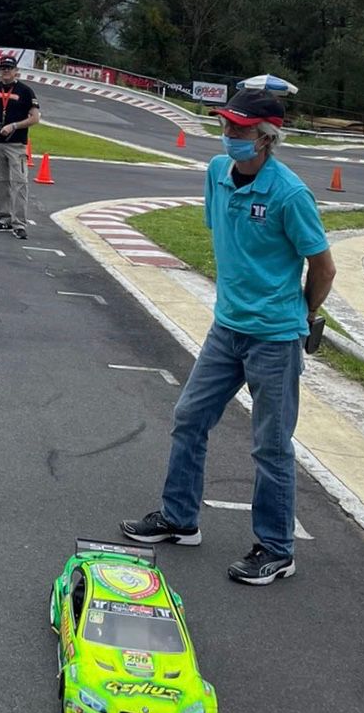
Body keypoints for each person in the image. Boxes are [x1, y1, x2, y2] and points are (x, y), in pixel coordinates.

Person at [121, 86, 336, 586]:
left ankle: (277, 550)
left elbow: (322, 267)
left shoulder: (290, 194)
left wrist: (300, 315)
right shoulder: (217, 174)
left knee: (270, 444)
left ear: (265, 138)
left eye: (238, 129)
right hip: (227, 328)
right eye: (225, 125)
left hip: (275, 338)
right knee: (190, 417)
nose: (228, 134)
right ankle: (179, 518)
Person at [0, 55, 40, 239]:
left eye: (9, 68)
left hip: (16, 144)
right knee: (0, 183)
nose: (5, 70)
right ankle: (4, 219)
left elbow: (35, 118)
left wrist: (14, 125)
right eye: (3, 67)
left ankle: (19, 224)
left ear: (16, 71)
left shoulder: (25, 91)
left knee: (20, 183)